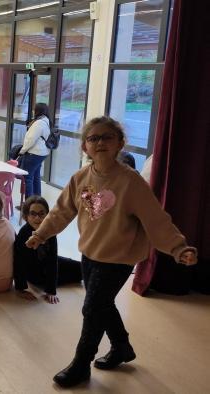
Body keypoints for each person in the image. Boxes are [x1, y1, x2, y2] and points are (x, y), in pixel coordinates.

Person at [24, 116, 198, 387]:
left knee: (92, 308)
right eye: (93, 138)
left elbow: (156, 219)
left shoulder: (131, 182)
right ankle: (122, 347)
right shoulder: (80, 178)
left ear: (120, 143)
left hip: (120, 257)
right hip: (90, 254)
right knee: (102, 304)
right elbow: (61, 212)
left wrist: (178, 247)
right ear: (85, 147)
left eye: (107, 137)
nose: (100, 142)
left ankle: (81, 365)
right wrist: (41, 234)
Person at [14, 195, 82, 303]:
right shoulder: (23, 234)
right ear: (26, 216)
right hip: (36, 274)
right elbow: (19, 262)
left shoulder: (49, 231)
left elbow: (52, 259)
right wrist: (20, 289)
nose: (37, 218)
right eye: (33, 214)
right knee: (75, 275)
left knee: (82, 268)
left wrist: (51, 291)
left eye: (41, 214)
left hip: (47, 264)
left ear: (47, 215)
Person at [19, 102, 51, 197]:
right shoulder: (46, 121)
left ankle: (29, 204)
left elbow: (30, 140)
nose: (33, 111)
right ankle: (37, 200)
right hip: (42, 153)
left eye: (34, 109)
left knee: (27, 178)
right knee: (36, 176)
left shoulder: (39, 123)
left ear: (38, 111)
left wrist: (22, 151)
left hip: (34, 154)